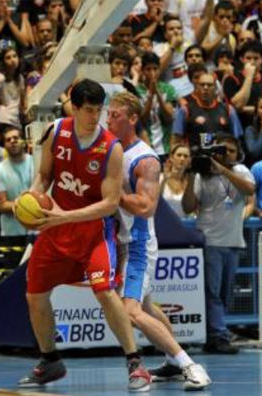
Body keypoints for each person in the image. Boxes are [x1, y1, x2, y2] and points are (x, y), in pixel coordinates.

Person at [17, 79, 151, 391]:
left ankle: (135, 362)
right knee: (34, 296)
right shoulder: (56, 132)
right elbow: (45, 176)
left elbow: (110, 204)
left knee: (104, 291)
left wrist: (65, 215)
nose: (96, 117)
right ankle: (50, 360)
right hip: (55, 227)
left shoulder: (111, 147)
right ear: (74, 108)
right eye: (89, 110)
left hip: (94, 230)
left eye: (99, 110)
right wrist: (31, 201)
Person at [106, 91, 211, 390]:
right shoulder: (111, 148)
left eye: (116, 115)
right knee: (149, 308)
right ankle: (171, 359)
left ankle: (190, 365)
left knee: (131, 311)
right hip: (120, 242)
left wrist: (113, 195)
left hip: (137, 245)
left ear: (133, 119)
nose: (109, 120)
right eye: (108, 114)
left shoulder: (146, 159)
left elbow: (146, 207)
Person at [181, 133, 255, 354]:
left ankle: (213, 334)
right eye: (222, 151)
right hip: (210, 240)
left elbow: (250, 190)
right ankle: (219, 335)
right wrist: (193, 174)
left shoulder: (240, 171)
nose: (226, 154)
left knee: (224, 293)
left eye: (230, 151)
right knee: (212, 292)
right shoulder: (203, 176)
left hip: (233, 241)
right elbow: (187, 207)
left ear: (237, 153)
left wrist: (223, 170)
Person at [0, 126, 33, 246]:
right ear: (4, 145)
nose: (12, 141)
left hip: (36, 230)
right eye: (8, 140)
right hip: (11, 232)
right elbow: (2, 206)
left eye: (16, 138)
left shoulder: (37, 162)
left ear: (23, 141)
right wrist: (30, 206)